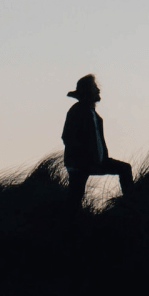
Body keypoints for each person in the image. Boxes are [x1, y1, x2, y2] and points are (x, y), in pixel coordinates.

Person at [61, 74, 133, 203]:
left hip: (96, 161)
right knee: (75, 197)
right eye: (95, 87)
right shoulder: (77, 111)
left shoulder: (92, 113)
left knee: (125, 168)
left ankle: (131, 202)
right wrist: (83, 156)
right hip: (80, 163)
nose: (98, 90)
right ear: (88, 91)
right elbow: (67, 137)